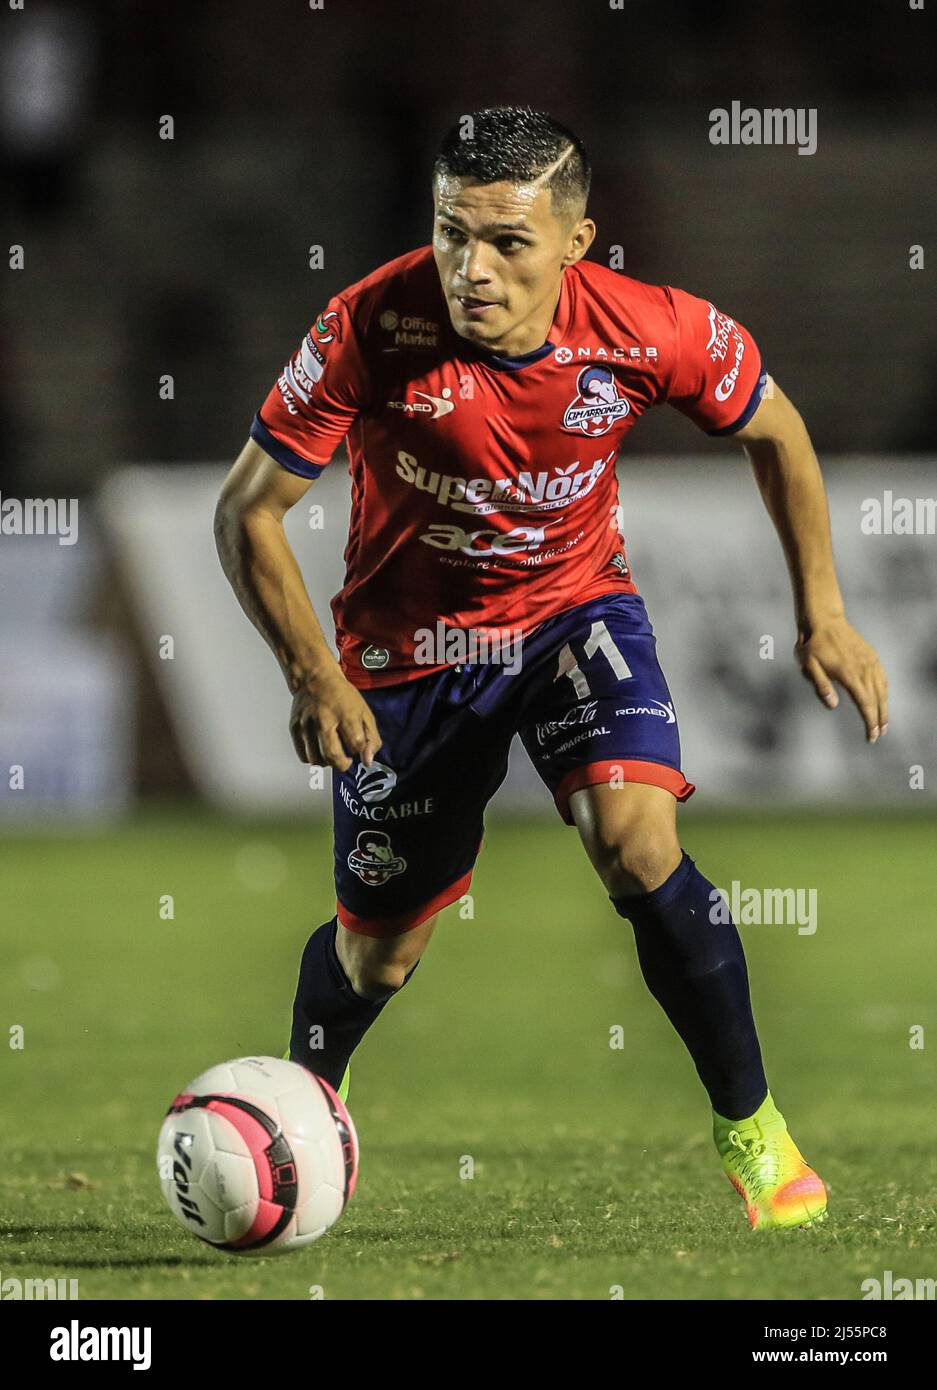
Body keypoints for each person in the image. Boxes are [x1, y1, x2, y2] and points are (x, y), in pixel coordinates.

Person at [215, 106, 888, 1231]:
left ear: (576, 242)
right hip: (410, 654)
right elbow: (248, 511)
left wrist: (821, 610)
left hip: (574, 613)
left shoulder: (651, 328)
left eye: (506, 242)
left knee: (635, 840)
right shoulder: (367, 325)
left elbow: (777, 432)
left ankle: (753, 1130)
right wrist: (311, 671)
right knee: (379, 955)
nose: (471, 269)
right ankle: (301, 1115)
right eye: (450, 233)